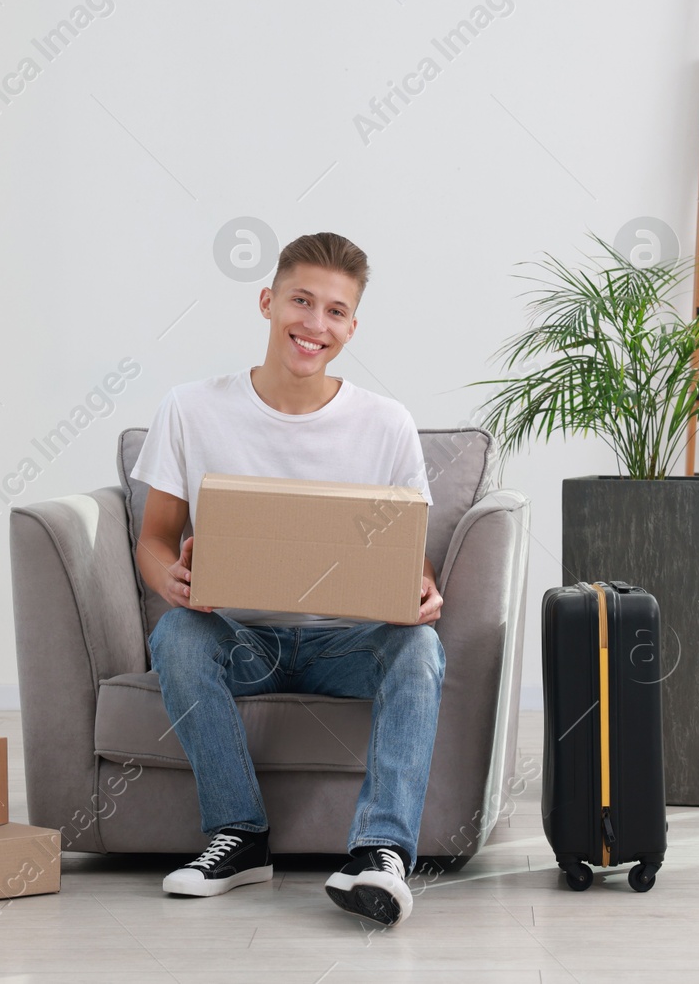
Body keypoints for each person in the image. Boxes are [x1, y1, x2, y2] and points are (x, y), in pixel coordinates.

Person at [129, 231, 443, 928]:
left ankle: (379, 852)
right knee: (177, 633)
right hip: (243, 635)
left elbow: (410, 554)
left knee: (420, 649)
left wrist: (421, 588)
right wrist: (173, 583)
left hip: (346, 643)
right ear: (268, 301)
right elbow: (153, 539)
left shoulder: (386, 423)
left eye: (335, 311)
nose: (315, 324)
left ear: (352, 327)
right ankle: (239, 836)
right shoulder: (191, 407)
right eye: (301, 301)